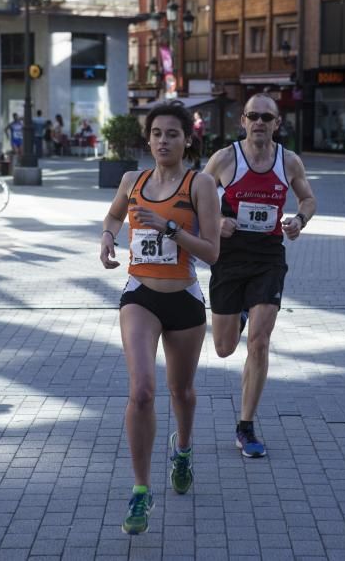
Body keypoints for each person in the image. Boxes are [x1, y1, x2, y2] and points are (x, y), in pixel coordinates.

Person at [100, 102, 220, 535]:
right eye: (156, 133)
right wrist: (108, 238)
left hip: (184, 299)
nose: (163, 140)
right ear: (147, 139)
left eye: (173, 133)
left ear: (188, 139)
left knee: (181, 391)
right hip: (140, 296)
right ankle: (140, 489)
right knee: (143, 391)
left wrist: (170, 228)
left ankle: (183, 450)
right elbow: (114, 214)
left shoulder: (200, 184)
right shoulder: (133, 180)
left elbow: (211, 251)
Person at [203, 93, 316, 458]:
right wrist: (218, 221)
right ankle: (237, 314)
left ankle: (246, 426)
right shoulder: (224, 159)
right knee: (223, 348)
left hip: (268, 257)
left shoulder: (289, 161)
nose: (260, 123)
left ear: (277, 123)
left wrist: (299, 219)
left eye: (267, 117)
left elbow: (308, 199)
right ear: (243, 120)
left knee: (260, 342)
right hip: (230, 257)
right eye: (253, 116)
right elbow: (195, 197)